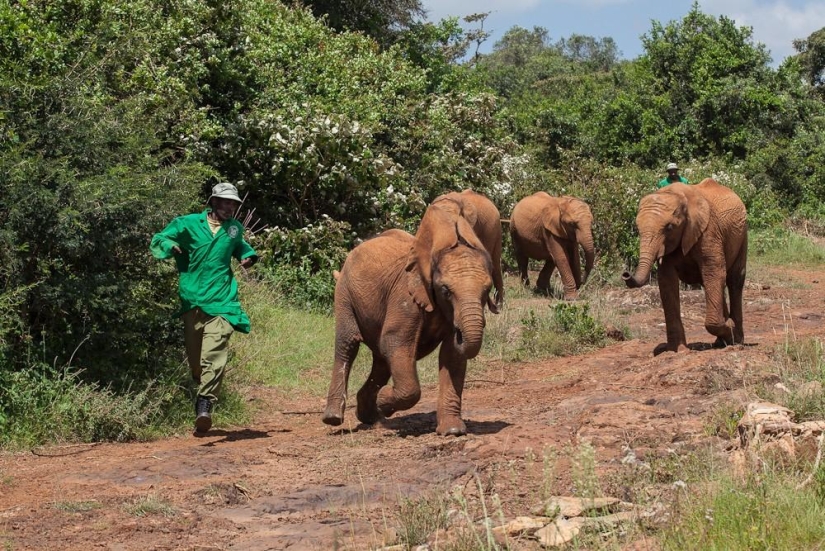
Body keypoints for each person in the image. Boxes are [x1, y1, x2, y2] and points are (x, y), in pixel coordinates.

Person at [150, 182, 258, 435]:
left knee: (215, 351)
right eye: (226, 203)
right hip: (193, 298)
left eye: (234, 204)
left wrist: (249, 256)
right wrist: (170, 246)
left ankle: (204, 405)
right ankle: (201, 387)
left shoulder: (234, 228)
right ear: (214, 202)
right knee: (197, 361)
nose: (230, 208)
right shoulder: (187, 223)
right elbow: (160, 238)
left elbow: (240, 247)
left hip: (222, 300)